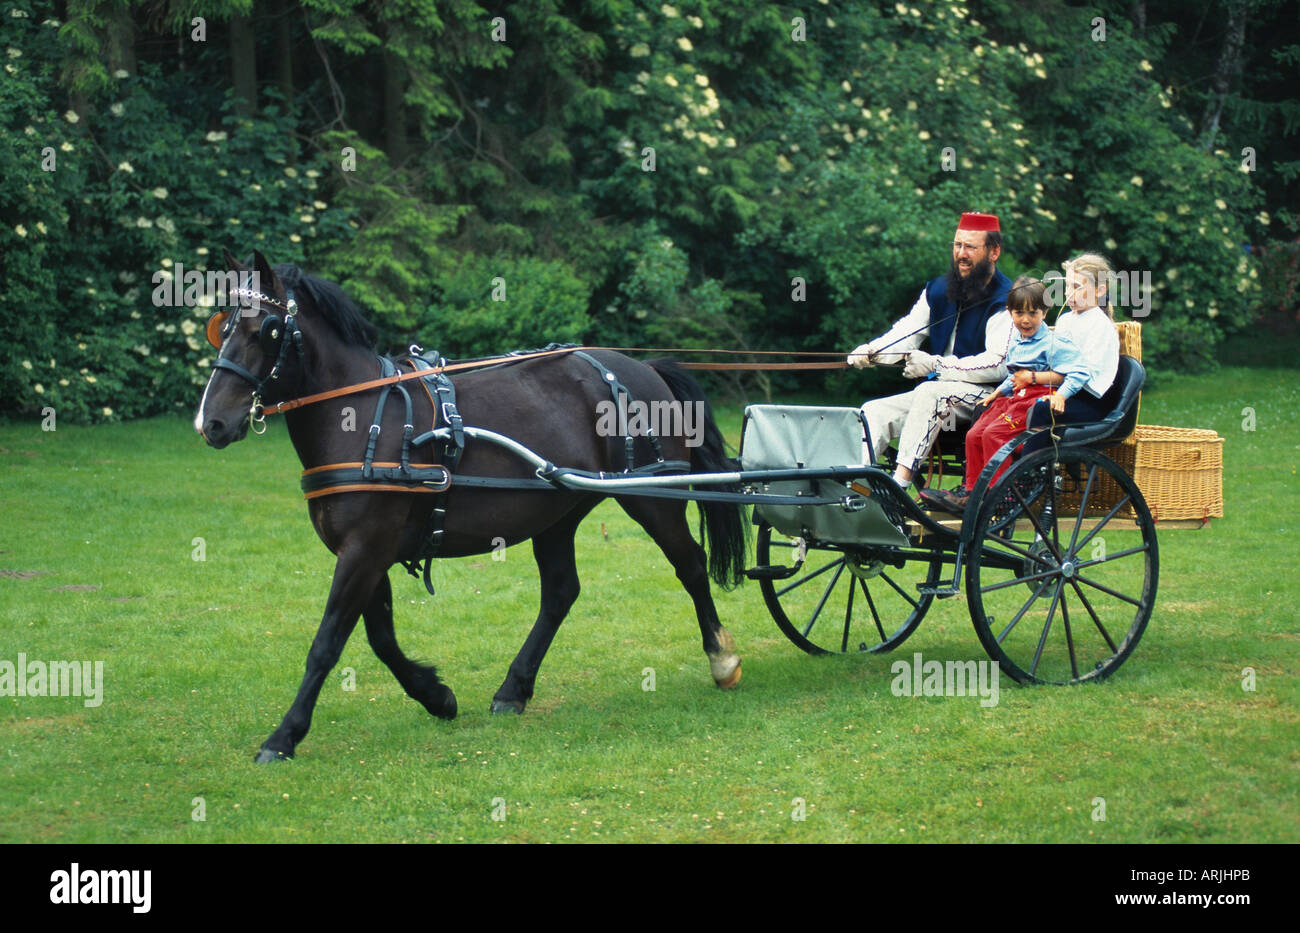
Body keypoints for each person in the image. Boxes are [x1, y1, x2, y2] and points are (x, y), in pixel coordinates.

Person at [848, 212, 1015, 490]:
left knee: (929, 391)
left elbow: (998, 364)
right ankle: (853, 490)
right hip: (942, 396)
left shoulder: (1008, 298)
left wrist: (935, 366)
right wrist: (873, 351)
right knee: (872, 411)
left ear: (994, 251)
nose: (961, 254)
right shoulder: (938, 289)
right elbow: (908, 331)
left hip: (990, 397)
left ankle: (898, 486)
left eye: (971, 247)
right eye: (957, 245)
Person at [918, 275, 1092, 513]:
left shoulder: (1053, 343)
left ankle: (1000, 493)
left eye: (1033, 313)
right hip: (1014, 398)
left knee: (993, 435)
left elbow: (1080, 371)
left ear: (1044, 312)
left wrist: (1062, 395)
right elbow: (1013, 376)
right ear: (1010, 312)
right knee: (973, 434)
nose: (1026, 320)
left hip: (1035, 400)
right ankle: (972, 491)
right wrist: (996, 393)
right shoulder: (1016, 343)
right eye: (1019, 313)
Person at [1018, 253, 1120, 457]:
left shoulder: (1101, 326)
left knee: (1042, 410)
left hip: (1090, 401)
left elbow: (1082, 373)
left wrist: (1059, 393)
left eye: (1077, 288)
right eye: (1068, 287)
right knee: (1016, 400)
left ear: (1100, 290)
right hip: (1063, 390)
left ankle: (1025, 474)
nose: (1069, 294)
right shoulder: (1066, 320)